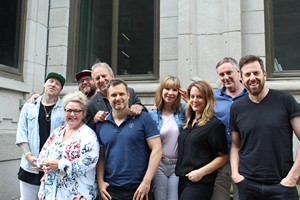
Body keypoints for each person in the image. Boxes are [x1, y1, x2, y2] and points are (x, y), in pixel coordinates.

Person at [230, 55, 300, 200]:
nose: (252, 77)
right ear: (241, 78)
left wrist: (293, 177)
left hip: (282, 185)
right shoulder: (237, 108)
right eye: (247, 74)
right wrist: (235, 174)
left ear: (264, 74)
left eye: (256, 72)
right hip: (248, 185)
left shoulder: (285, 101)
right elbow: (236, 145)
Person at [96, 78, 162, 200]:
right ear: (108, 98)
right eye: (113, 95)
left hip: (139, 189)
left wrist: (146, 182)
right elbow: (101, 156)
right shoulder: (101, 124)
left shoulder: (144, 118)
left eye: (121, 94)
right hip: (111, 190)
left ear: (128, 95)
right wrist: (100, 182)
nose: (118, 98)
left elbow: (157, 149)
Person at [35, 91, 99, 199]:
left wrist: (59, 164)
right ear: (64, 112)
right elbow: (42, 155)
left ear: (83, 113)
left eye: (77, 111)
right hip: (51, 192)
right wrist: (44, 163)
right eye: (69, 110)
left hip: (76, 194)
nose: (72, 114)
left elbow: (88, 161)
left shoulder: (88, 135)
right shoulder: (57, 132)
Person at [15, 72, 65, 200]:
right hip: (30, 167)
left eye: (57, 83)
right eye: (51, 81)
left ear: (61, 89)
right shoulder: (29, 106)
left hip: (52, 167)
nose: (53, 85)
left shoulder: (64, 109)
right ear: (45, 84)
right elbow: (22, 134)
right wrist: (29, 157)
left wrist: (54, 162)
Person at [175, 80, 228, 200]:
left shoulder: (214, 125)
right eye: (192, 96)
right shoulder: (188, 122)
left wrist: (201, 172)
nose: (194, 100)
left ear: (207, 99)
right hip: (183, 179)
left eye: (199, 97)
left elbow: (223, 157)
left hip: (200, 183)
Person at [212, 57, 247, 200]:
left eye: (229, 72)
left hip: (244, 160)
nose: (225, 77)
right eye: (221, 74)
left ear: (238, 71)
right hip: (219, 159)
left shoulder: (250, 95)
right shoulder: (213, 98)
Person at [149, 75, 186, 200]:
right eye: (167, 89)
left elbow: (201, 115)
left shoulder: (184, 111)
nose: (170, 93)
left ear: (178, 92)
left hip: (177, 164)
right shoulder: (152, 114)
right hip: (159, 164)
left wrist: (189, 99)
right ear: (161, 90)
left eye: (174, 90)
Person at [85, 62, 147, 131]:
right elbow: (86, 130)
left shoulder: (130, 92)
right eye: (97, 78)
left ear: (112, 76)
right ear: (94, 82)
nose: (101, 80)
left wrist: (139, 107)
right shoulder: (91, 104)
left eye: (104, 76)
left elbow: (145, 114)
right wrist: (94, 120)